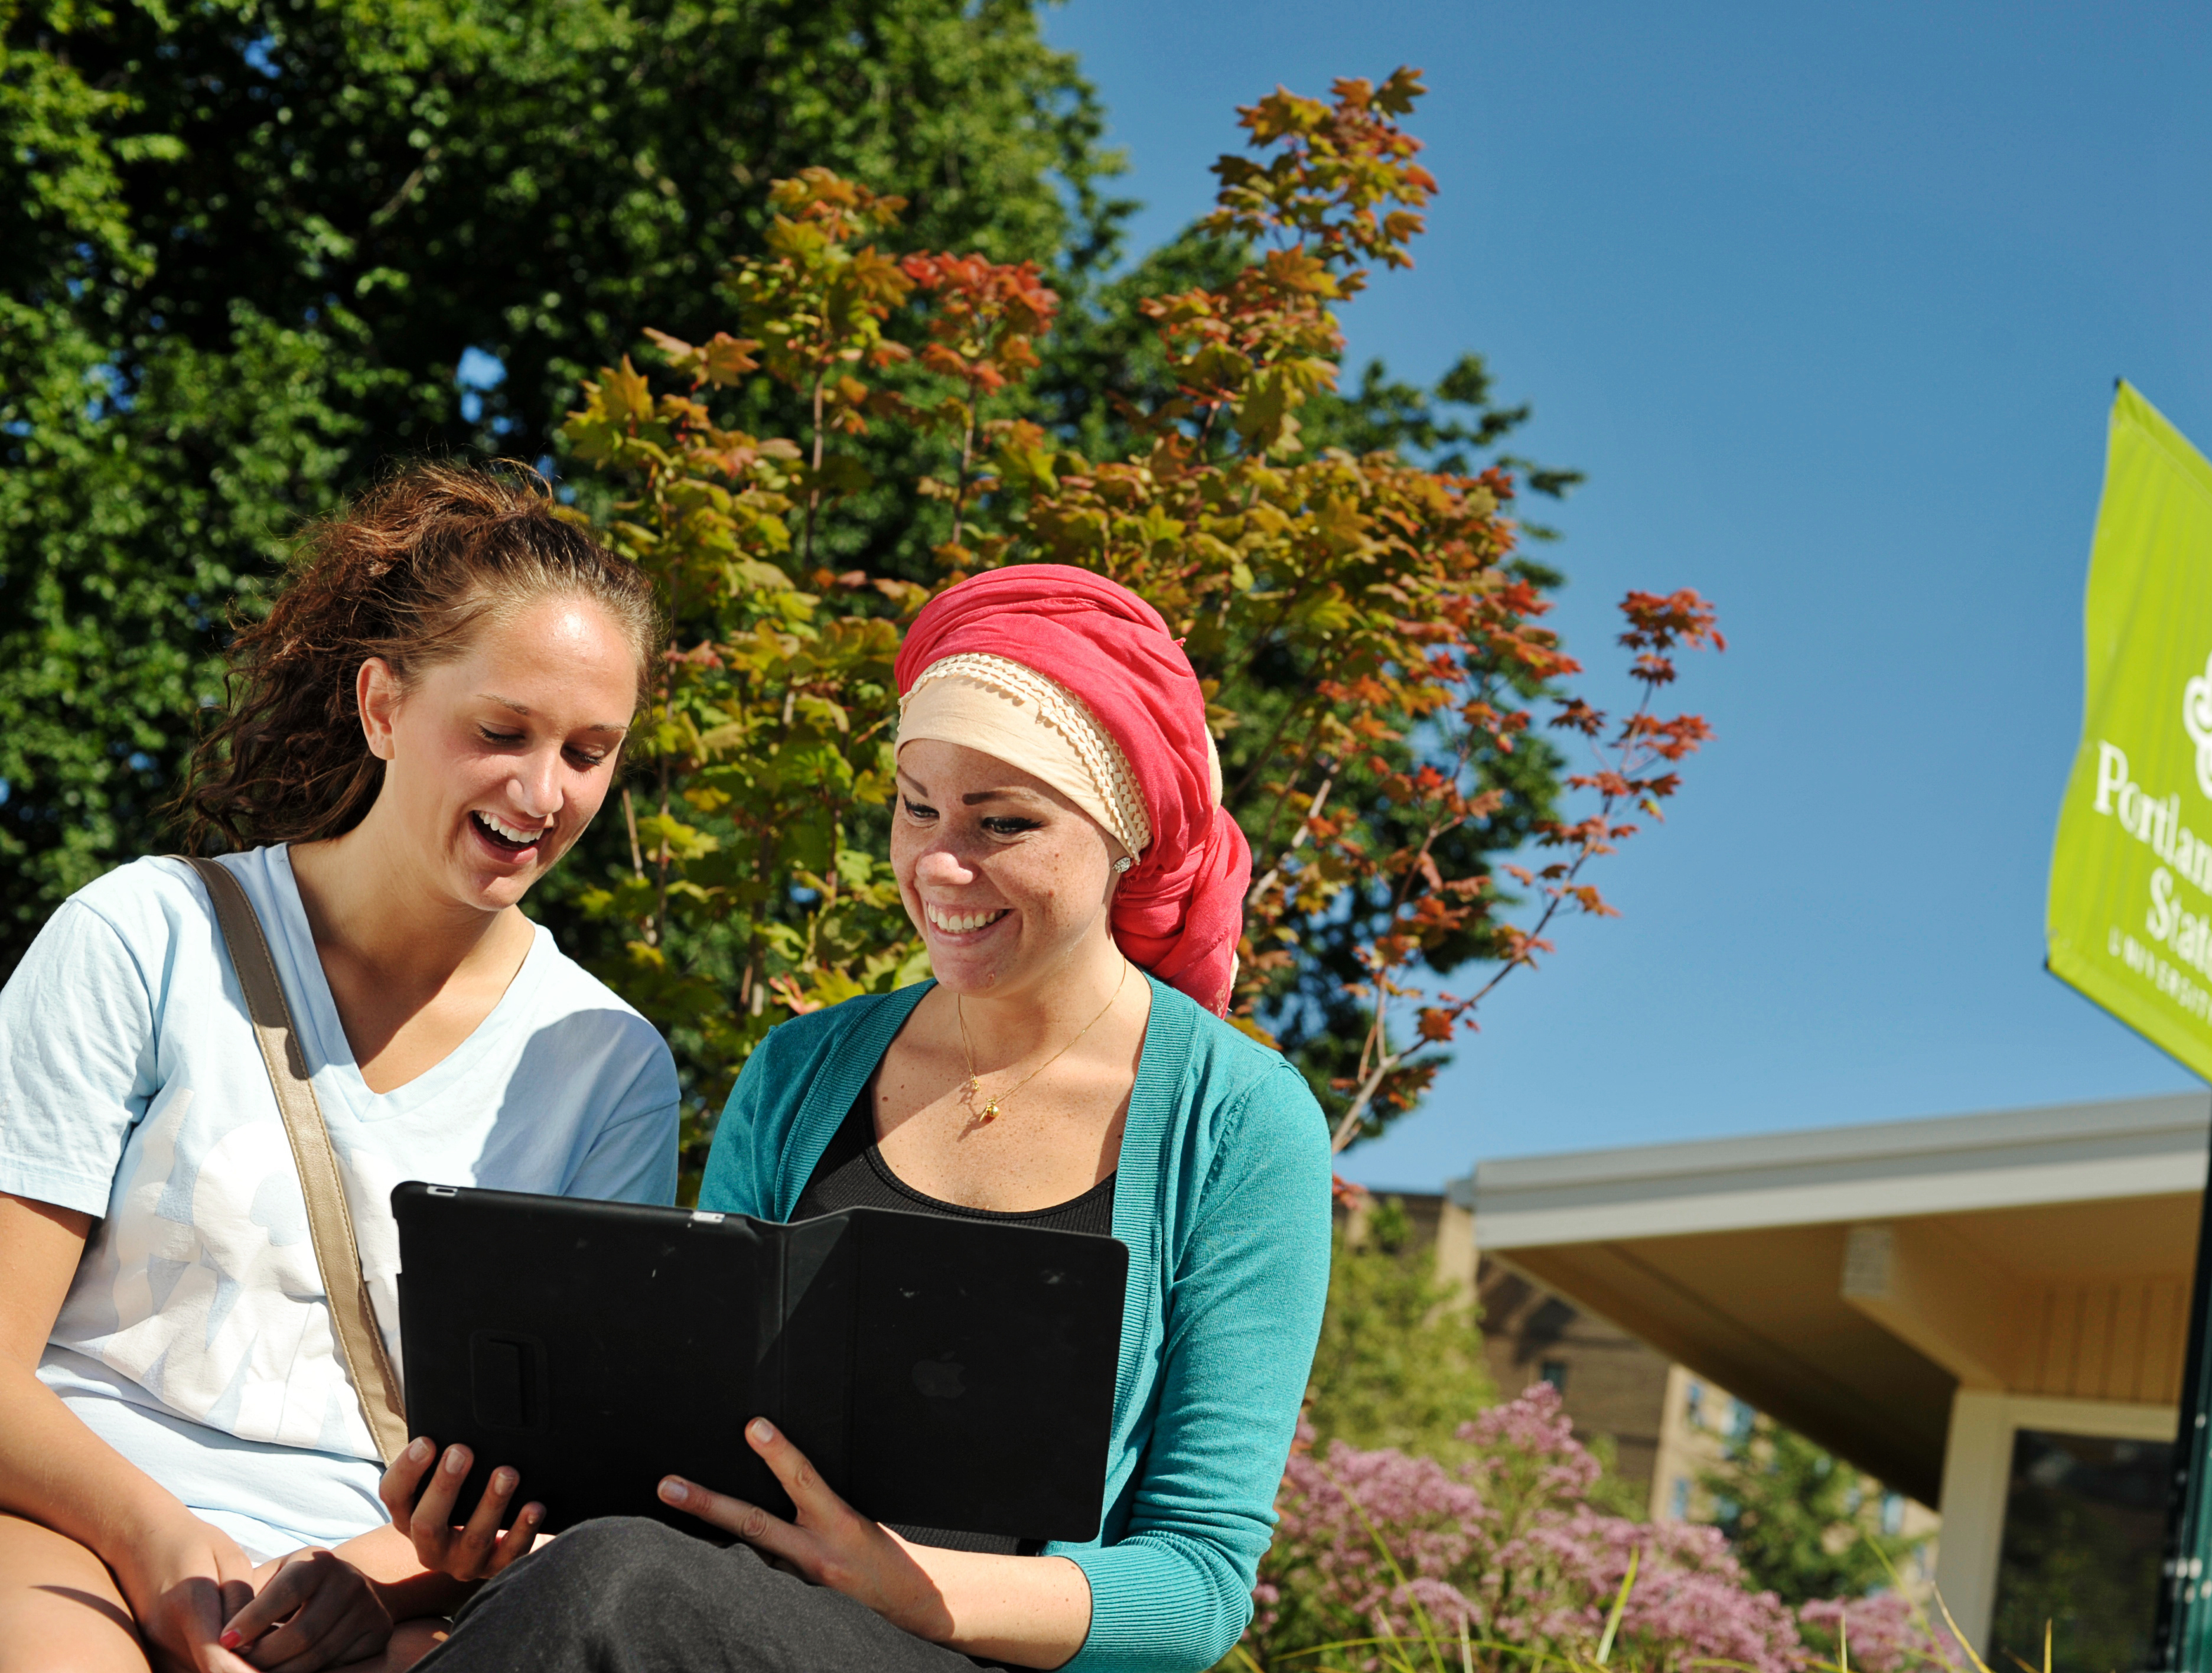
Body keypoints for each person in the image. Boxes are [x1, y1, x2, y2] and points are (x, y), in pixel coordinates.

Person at [387, 563, 1332, 1673]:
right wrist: (495, 1525)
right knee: (591, 1580)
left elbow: (1200, 1588)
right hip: (736, 1629)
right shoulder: (800, 1073)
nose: (941, 864)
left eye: (1004, 822)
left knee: (613, 1588)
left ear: (1128, 835)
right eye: (917, 806)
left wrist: (909, 1589)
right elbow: (690, 1459)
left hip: (984, 1655)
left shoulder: (1241, 1122)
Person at [0, 465, 683, 1673]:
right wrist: (161, 1545)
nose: (543, 793)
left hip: (374, 1598)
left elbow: (565, 1470)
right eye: (501, 732)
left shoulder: (609, 1065)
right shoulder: (142, 937)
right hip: (78, 1529)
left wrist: (361, 1583)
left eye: (589, 752)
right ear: (381, 707)